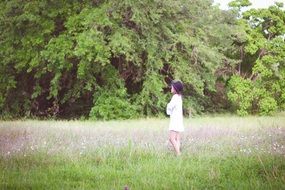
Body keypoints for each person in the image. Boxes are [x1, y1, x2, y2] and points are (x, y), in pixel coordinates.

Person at [166, 80, 184, 156]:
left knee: (171, 138)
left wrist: (168, 105)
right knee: (177, 139)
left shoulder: (175, 97)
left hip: (175, 121)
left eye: (172, 87)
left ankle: (178, 154)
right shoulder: (179, 97)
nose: (171, 87)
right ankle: (177, 154)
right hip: (179, 120)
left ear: (175, 88)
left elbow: (170, 107)